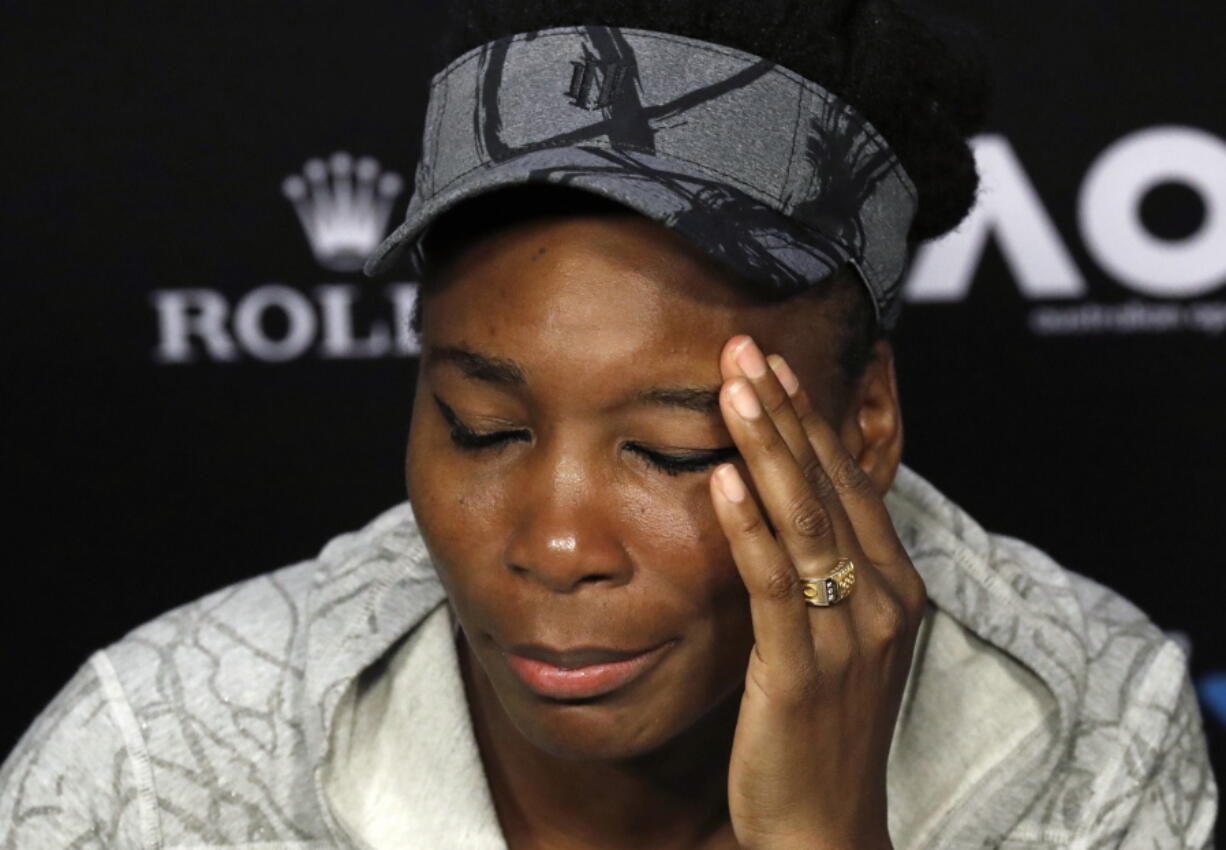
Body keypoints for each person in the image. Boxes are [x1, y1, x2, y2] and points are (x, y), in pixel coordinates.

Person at [1, 1, 1217, 848]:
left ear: (865, 421)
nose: (555, 542)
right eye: (481, 427)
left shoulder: (1091, 734)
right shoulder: (160, 763)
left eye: (673, 448)